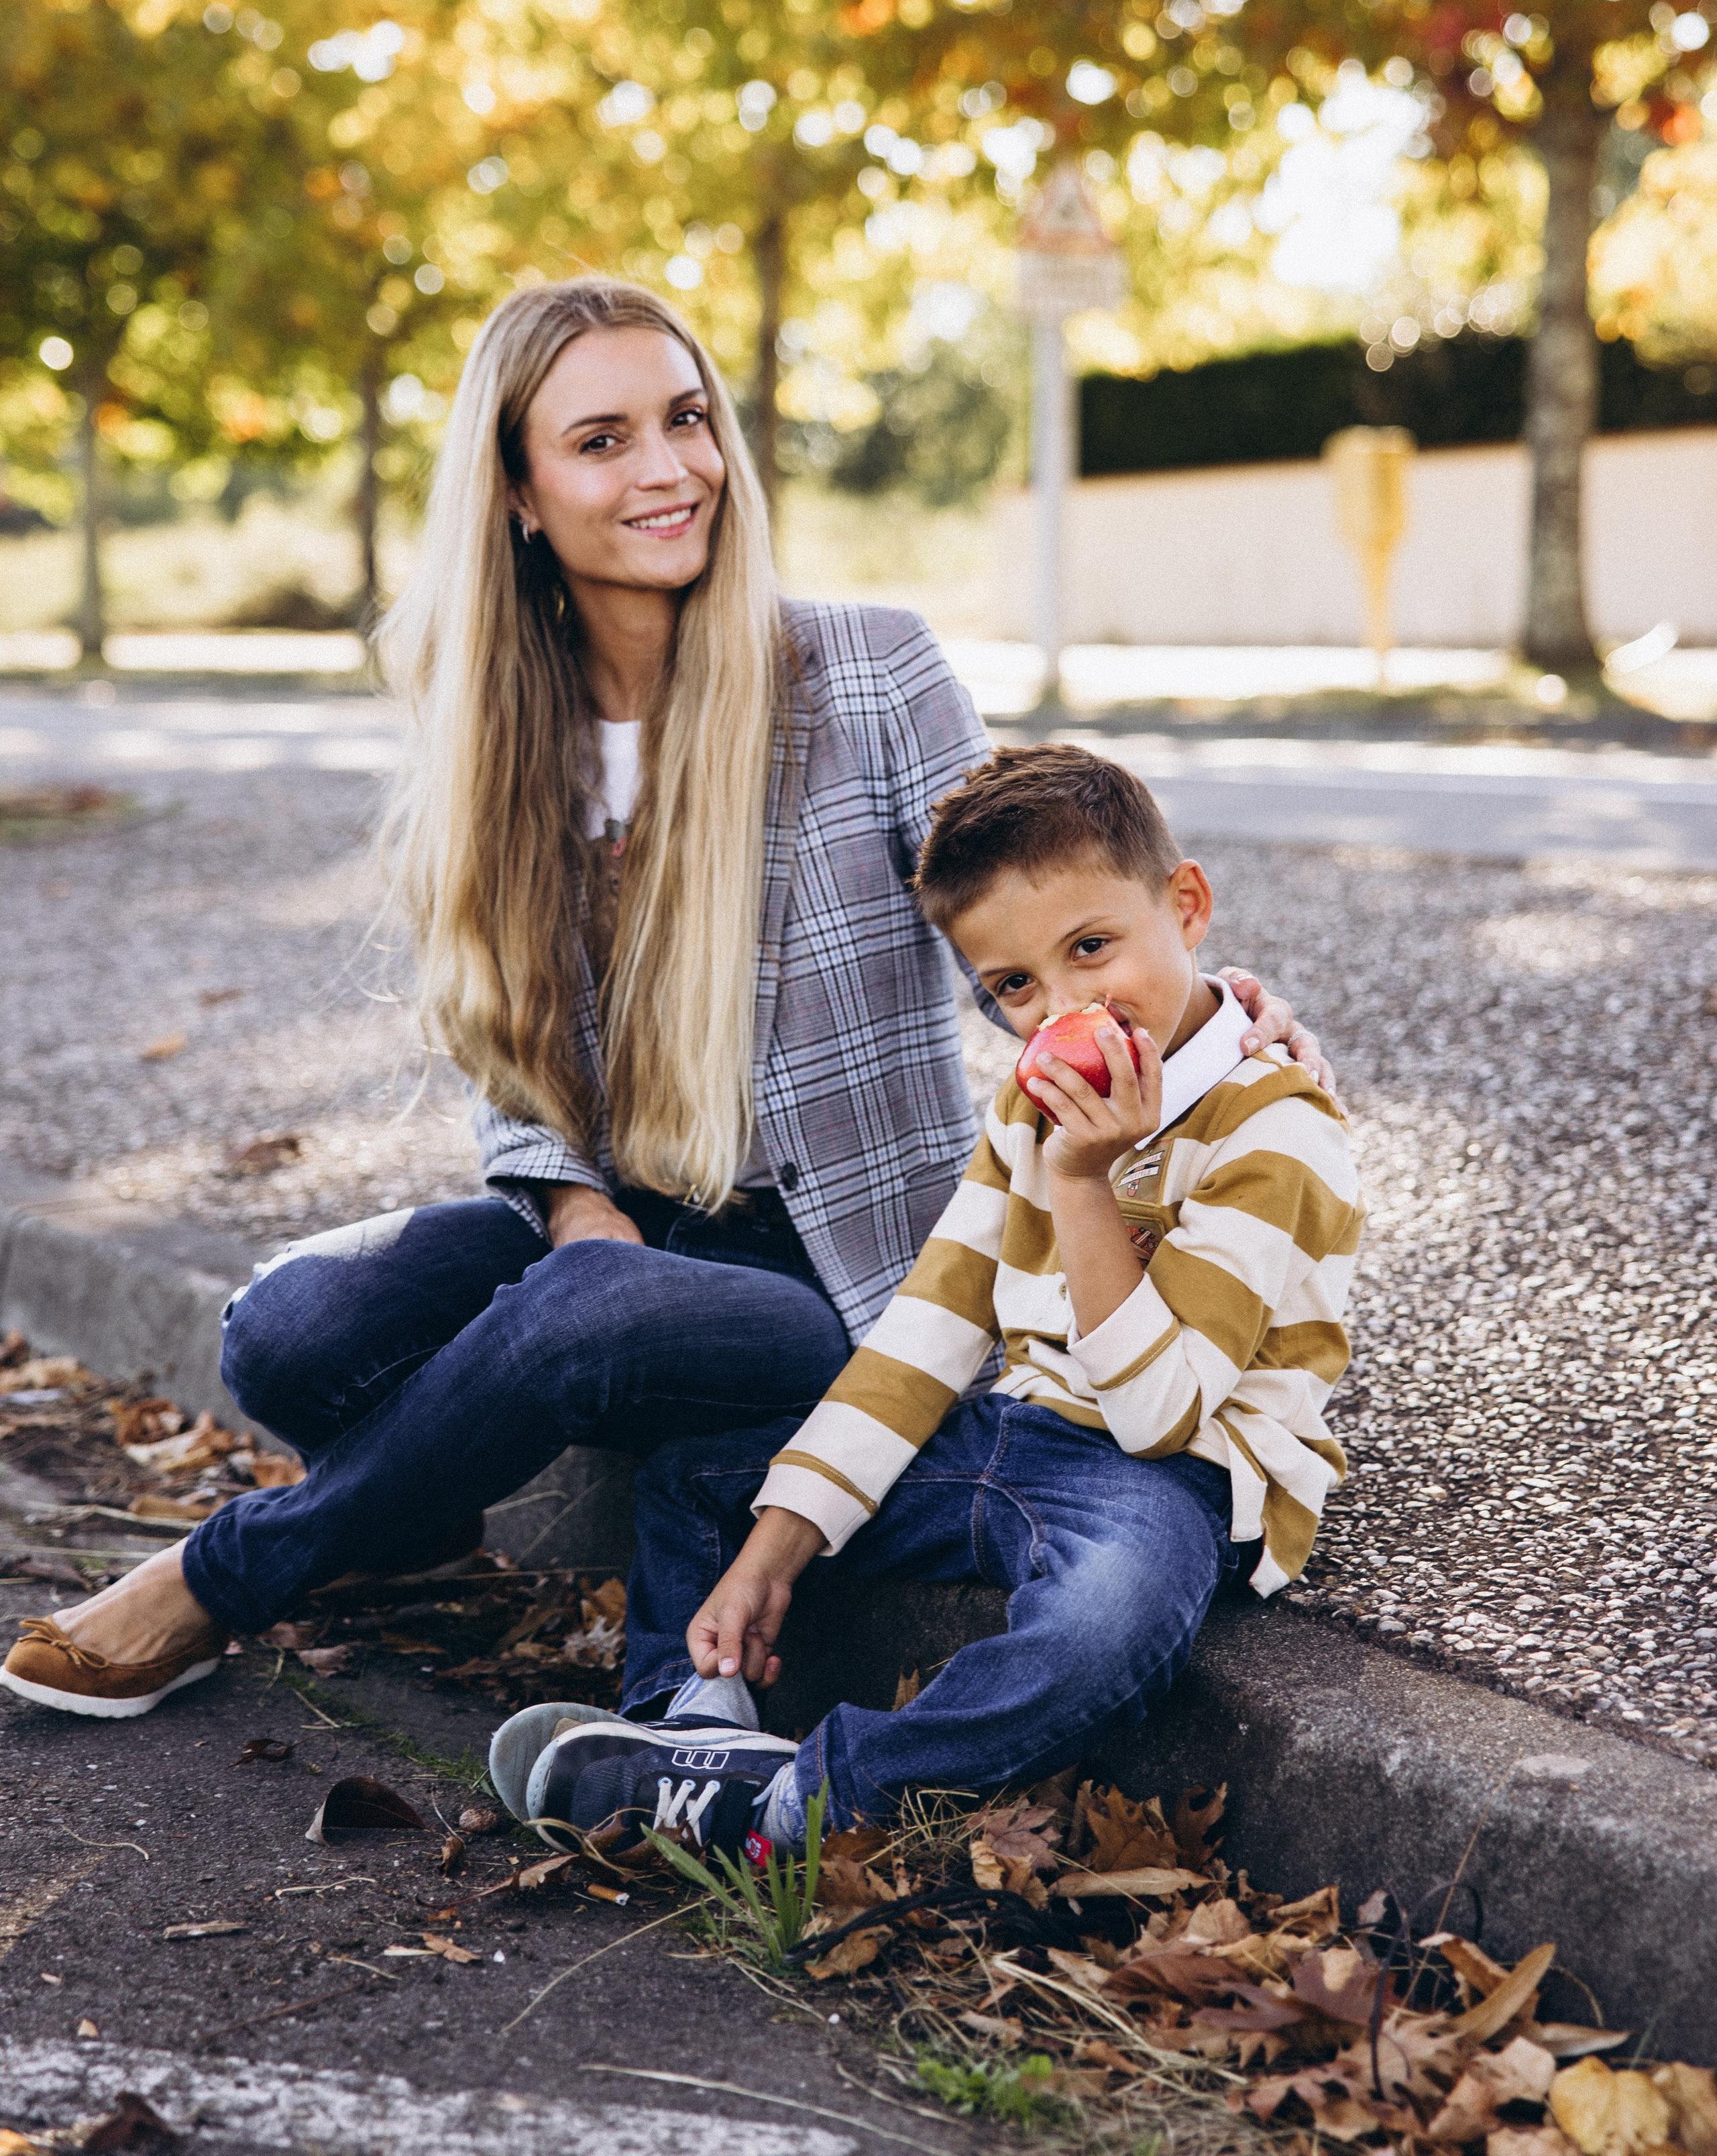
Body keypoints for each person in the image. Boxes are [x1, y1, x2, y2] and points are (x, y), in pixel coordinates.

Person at [1, 282, 1330, 1723]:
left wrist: (1198, 1012)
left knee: (582, 1315)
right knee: (287, 1328)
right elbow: (505, 1047)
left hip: (829, 1271)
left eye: (687, 420)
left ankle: (221, 1577)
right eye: (603, 440)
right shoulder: (500, 726)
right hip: (623, 1229)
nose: (669, 468)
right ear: (518, 493)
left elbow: (1027, 918)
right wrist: (577, 1206)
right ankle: (411, 1519)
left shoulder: (871, 673)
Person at [498, 744, 1361, 1860]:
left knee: (1109, 1622)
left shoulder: (1271, 1128)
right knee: (702, 1481)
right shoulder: (1032, 1103)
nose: (1064, 1006)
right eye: (1015, 987)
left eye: (1090, 947)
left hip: (1177, 1480)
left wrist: (1084, 1184)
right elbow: (929, 1330)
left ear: (1186, 906)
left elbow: (1160, 1418)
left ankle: (810, 1800)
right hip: (1019, 1435)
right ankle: (687, 1730)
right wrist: (774, 1549)